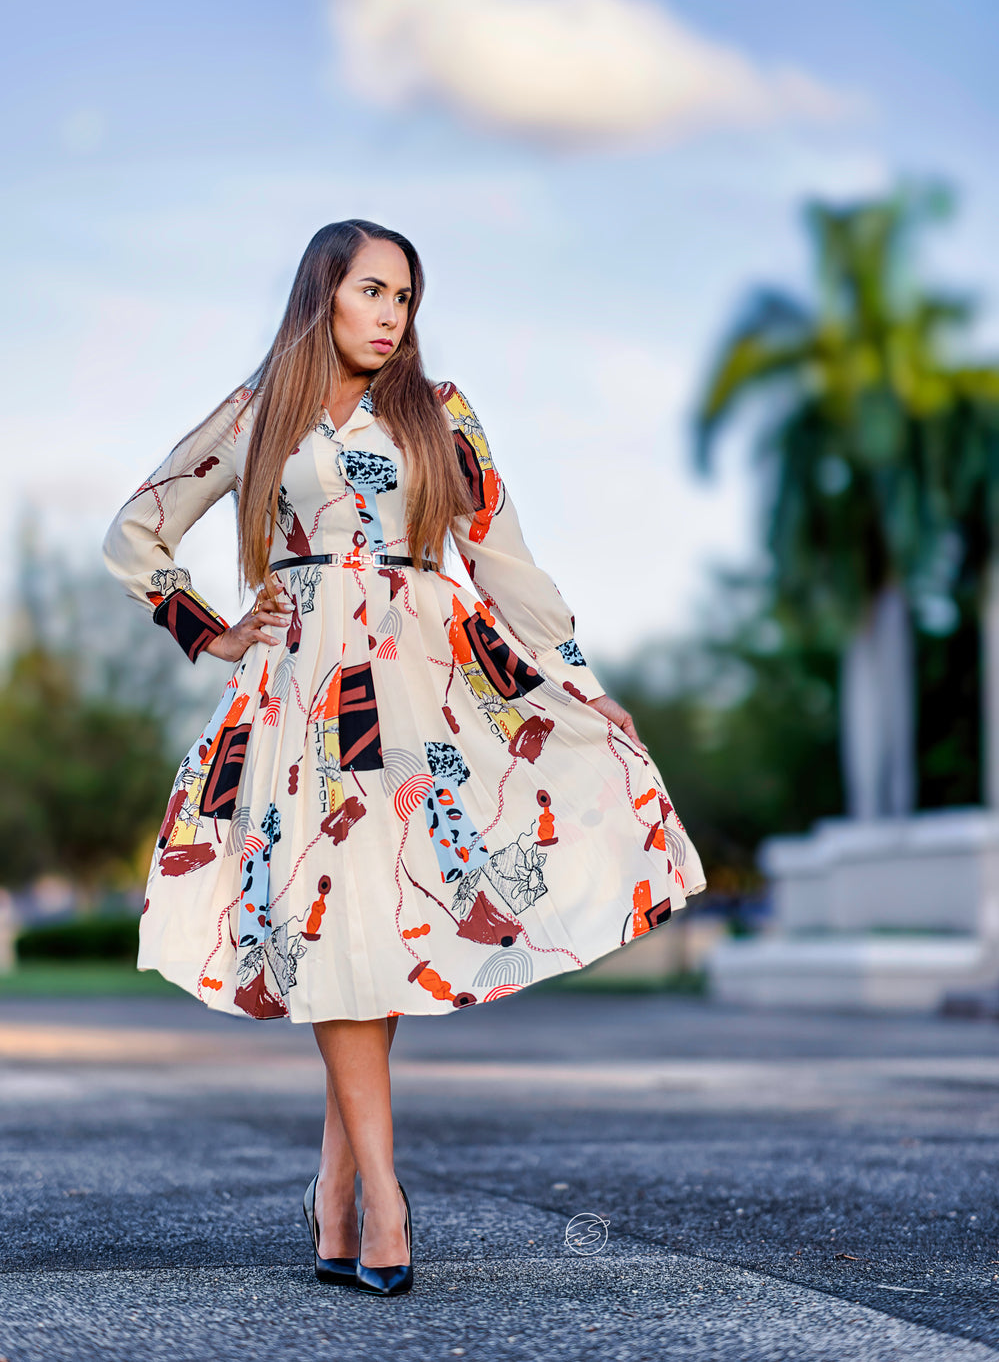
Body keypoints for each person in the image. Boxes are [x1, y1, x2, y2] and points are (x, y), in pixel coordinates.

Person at [102, 218, 707, 1296]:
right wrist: (213, 627)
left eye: (406, 298)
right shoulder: (258, 411)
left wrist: (579, 678)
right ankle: (381, 1199)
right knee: (343, 918)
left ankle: (341, 1195)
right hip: (305, 689)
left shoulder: (439, 412)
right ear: (323, 291)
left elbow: (504, 558)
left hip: (426, 686)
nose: (392, 315)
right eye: (374, 290)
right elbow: (136, 532)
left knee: (373, 925)